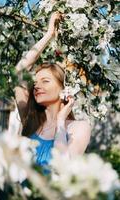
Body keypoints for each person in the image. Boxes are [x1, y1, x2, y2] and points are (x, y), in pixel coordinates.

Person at [15, 12, 91, 169]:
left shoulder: (79, 128)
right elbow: (18, 71)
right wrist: (49, 34)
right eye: (35, 82)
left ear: (63, 89)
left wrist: (61, 121)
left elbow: (62, 167)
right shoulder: (30, 121)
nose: (37, 86)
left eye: (45, 81)